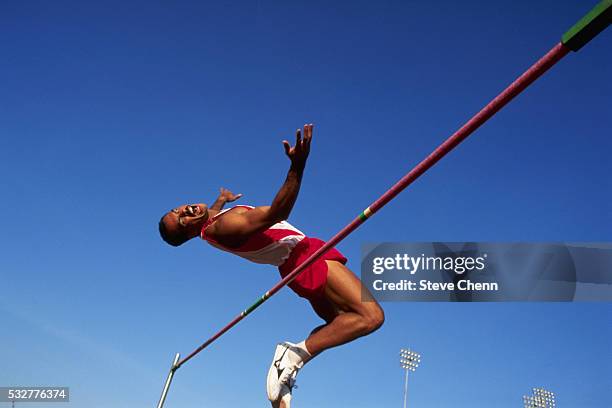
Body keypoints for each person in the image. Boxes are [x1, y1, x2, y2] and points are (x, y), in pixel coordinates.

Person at [158, 124, 384, 407]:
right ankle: (291, 357)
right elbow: (279, 211)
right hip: (303, 255)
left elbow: (209, 213)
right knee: (371, 316)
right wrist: (298, 166)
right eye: (181, 219)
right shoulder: (225, 226)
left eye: (178, 209)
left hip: (293, 269)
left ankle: (288, 371)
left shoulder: (209, 226)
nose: (185, 209)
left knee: (337, 323)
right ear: (188, 233)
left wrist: (221, 199)